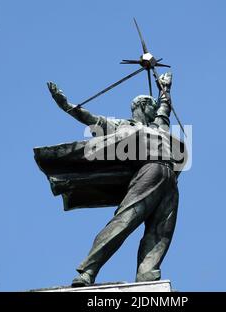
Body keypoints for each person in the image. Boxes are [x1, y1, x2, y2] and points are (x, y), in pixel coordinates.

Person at [46, 72, 179, 286]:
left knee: (161, 230)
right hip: (149, 171)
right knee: (124, 221)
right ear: (143, 106)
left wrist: (165, 88)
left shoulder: (158, 127)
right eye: (152, 107)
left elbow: (165, 108)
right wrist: (66, 105)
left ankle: (147, 273)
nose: (156, 111)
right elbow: (90, 119)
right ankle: (88, 270)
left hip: (170, 179)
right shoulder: (122, 126)